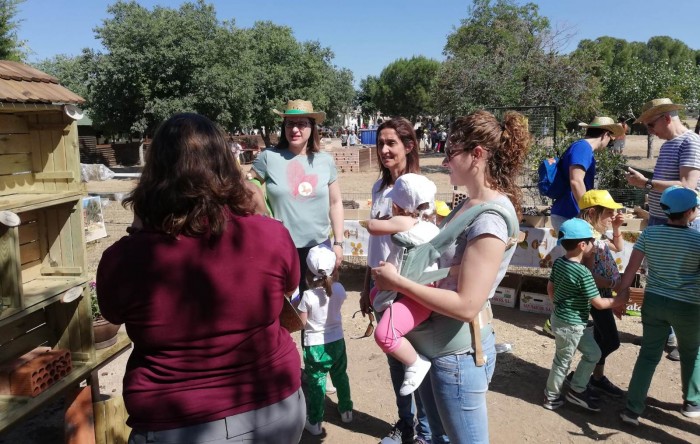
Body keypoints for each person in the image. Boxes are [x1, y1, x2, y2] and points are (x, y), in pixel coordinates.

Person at [96, 113, 304, 444]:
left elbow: (110, 313)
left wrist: (140, 227)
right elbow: (289, 287)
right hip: (273, 409)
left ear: (154, 174)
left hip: (176, 423)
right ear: (226, 165)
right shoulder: (270, 236)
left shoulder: (126, 258)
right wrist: (260, 215)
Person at [372, 110, 530, 442]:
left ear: (477, 155)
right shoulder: (466, 204)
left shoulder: (489, 219)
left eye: (450, 153)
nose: (445, 162)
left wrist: (399, 283)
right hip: (438, 350)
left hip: (455, 357)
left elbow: (466, 305)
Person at [359, 117, 437, 444]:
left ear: (408, 146)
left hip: (409, 291)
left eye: (391, 143)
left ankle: (425, 433)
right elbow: (376, 246)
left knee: (415, 364)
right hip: (382, 289)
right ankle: (406, 425)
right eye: (380, 143)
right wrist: (366, 286)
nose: (385, 150)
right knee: (396, 364)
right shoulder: (379, 188)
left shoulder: (416, 190)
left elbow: (429, 245)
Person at [617, 186, 700, 425]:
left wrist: (620, 299)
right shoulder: (697, 240)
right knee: (692, 352)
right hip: (688, 306)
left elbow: (629, 272)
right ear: (690, 212)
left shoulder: (649, 235)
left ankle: (632, 409)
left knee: (648, 355)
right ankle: (692, 402)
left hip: (653, 301)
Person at [625, 97, 700, 361]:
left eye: (651, 124)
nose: (650, 131)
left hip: (682, 223)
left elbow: (687, 187)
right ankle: (663, 334)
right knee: (658, 278)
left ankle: (688, 340)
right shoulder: (670, 144)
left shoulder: (690, 142)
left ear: (667, 118)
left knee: (684, 282)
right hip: (661, 219)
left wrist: (646, 184)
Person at [250, 99, 344, 293]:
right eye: (290, 124)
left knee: (318, 308)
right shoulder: (268, 158)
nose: (295, 129)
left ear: (312, 127)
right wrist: (263, 212)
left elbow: (335, 203)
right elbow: (249, 185)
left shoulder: (325, 161)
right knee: (287, 309)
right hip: (279, 247)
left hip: (319, 248)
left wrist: (338, 243)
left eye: (302, 124)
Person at [364, 173, 440, 397]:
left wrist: (384, 219)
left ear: (398, 205)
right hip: (410, 288)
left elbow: (371, 226)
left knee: (383, 334)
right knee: (375, 295)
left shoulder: (407, 221)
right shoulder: (430, 224)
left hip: (417, 296)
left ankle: (416, 362)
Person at [542, 218, 628, 412]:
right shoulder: (583, 274)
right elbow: (597, 302)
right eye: (591, 242)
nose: (594, 246)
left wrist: (558, 304)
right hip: (571, 325)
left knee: (594, 353)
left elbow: (550, 288)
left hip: (566, 321)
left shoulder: (559, 263)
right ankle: (551, 396)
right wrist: (621, 300)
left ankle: (577, 389)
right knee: (562, 361)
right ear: (582, 245)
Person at [297, 245, 353, 436]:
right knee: (340, 375)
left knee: (316, 383)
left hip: (315, 346)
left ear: (307, 272)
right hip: (337, 340)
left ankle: (315, 421)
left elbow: (302, 324)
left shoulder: (307, 296)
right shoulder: (339, 289)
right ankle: (346, 410)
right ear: (334, 270)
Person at [576, 190, 627, 398]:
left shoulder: (596, 233)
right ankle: (581, 375)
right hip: (596, 294)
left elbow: (618, 246)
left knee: (600, 336)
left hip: (603, 291)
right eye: (608, 213)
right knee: (611, 340)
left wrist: (616, 228)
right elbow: (585, 275)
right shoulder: (587, 238)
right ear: (592, 213)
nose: (613, 216)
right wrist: (613, 283)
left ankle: (596, 377)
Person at [550, 116, 624, 232]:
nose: (610, 142)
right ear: (605, 134)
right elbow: (576, 181)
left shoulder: (581, 147)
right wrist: (588, 212)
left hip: (569, 213)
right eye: (611, 138)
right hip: (569, 214)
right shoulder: (583, 148)